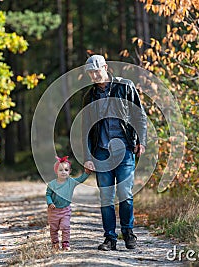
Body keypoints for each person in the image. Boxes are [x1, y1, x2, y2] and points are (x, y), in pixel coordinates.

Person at [82, 55, 147, 251]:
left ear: (105, 67)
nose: (94, 75)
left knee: (125, 194)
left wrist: (141, 141)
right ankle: (110, 238)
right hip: (101, 153)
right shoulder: (89, 96)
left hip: (125, 150)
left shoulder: (125, 87)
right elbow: (85, 129)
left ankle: (128, 233)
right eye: (91, 73)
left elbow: (139, 115)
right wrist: (87, 157)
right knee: (106, 197)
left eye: (97, 70)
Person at [46, 156, 91, 251]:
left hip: (65, 209)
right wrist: (50, 203)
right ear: (56, 171)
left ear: (69, 171)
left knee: (65, 226)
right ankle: (55, 243)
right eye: (60, 170)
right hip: (53, 210)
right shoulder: (52, 184)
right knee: (53, 228)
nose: (63, 172)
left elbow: (80, 179)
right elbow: (48, 195)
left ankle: (65, 243)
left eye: (66, 170)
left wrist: (87, 173)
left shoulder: (71, 182)